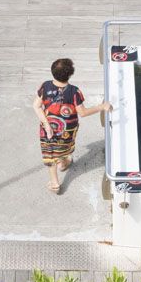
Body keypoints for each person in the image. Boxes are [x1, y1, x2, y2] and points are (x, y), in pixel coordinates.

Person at [37, 58, 112, 194]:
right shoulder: (74, 91)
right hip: (67, 130)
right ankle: (63, 163)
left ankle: (54, 183)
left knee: (50, 152)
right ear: (70, 74)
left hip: (48, 129)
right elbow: (82, 113)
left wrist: (47, 125)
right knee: (65, 148)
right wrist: (102, 106)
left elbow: (36, 106)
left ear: (52, 72)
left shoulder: (45, 86)